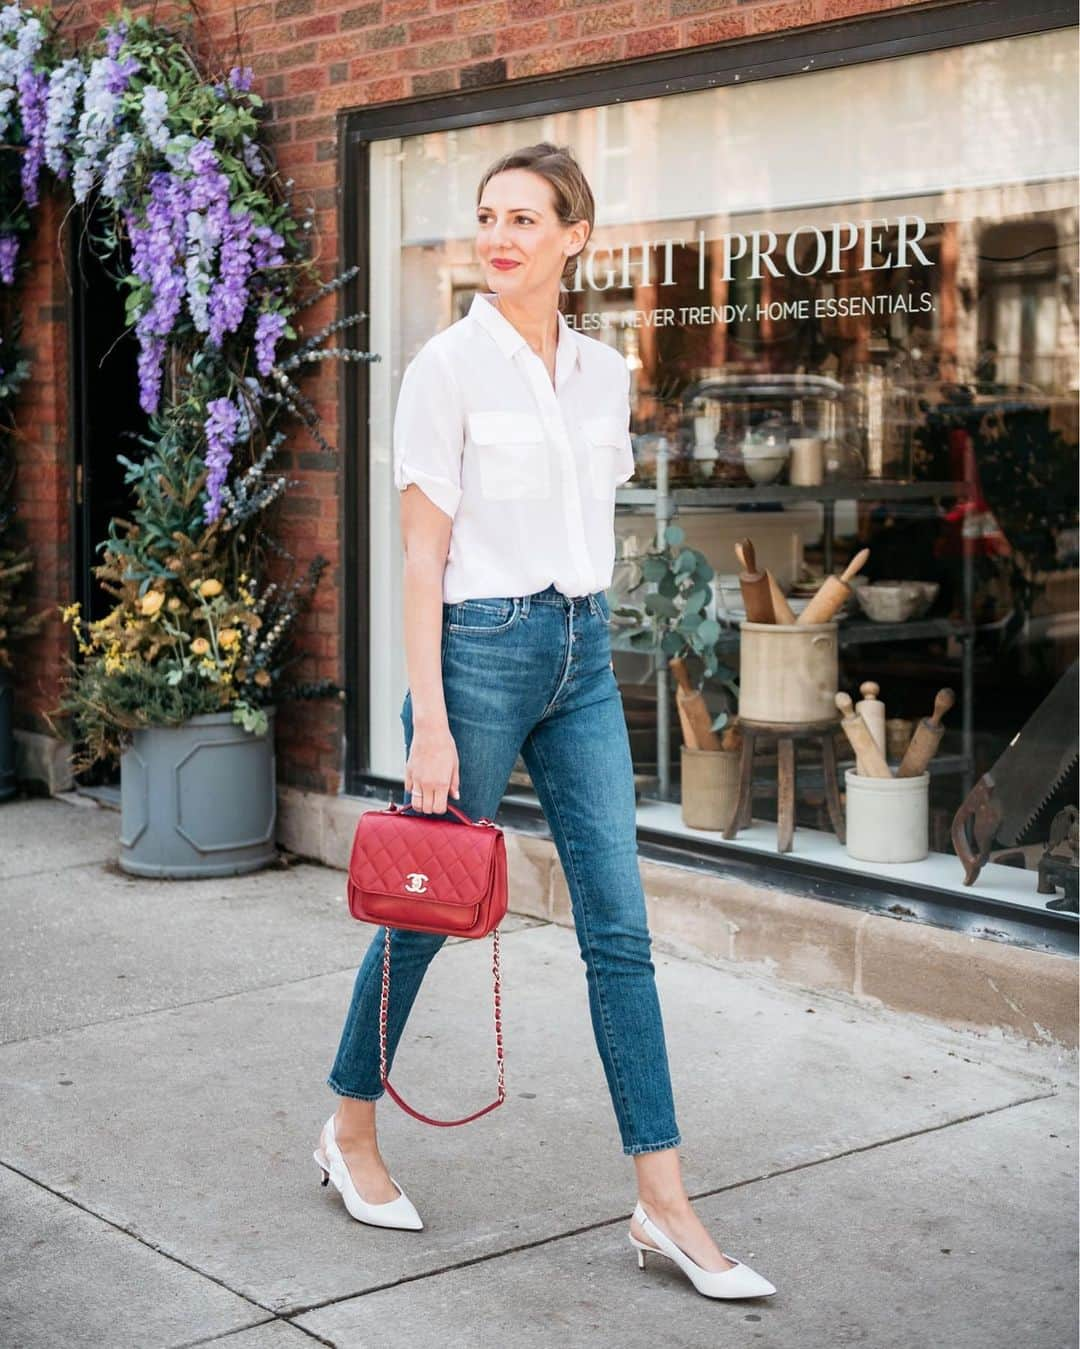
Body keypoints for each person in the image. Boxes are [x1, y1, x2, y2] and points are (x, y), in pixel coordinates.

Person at [316, 142, 776, 1301]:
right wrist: (424, 724)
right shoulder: (444, 368)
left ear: (576, 236)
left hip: (580, 650)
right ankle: (351, 1128)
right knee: (426, 908)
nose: (502, 235)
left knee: (617, 928)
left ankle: (662, 1201)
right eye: (488, 216)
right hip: (474, 652)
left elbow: (592, 521)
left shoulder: (604, 373)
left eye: (528, 217)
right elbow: (421, 559)